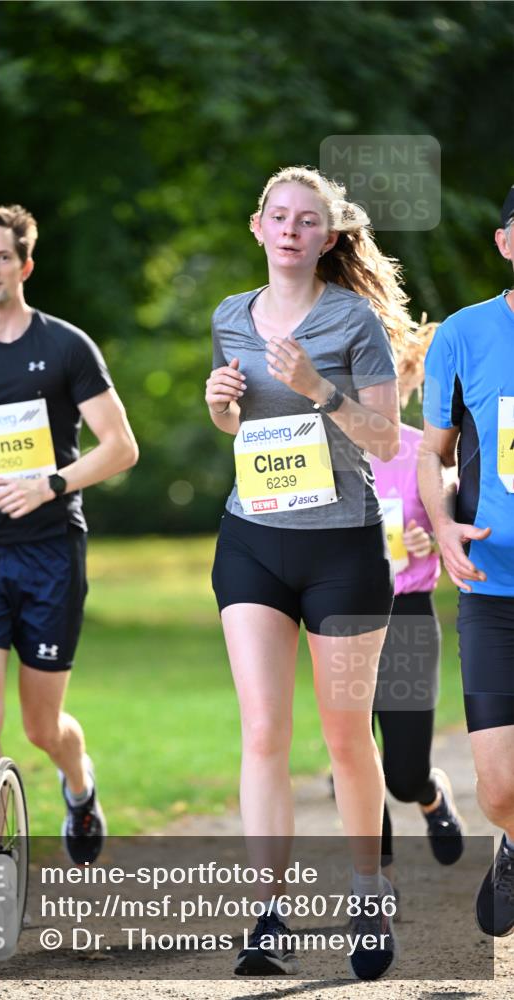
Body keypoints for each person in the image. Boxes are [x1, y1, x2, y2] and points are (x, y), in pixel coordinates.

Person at [206, 165, 416, 980]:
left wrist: (315, 387)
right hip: (251, 538)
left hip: (340, 549)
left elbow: (386, 441)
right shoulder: (230, 316)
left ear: (326, 238)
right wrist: (220, 400)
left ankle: (366, 892)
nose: (290, 229)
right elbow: (232, 420)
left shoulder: (352, 319)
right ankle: (266, 917)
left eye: (307, 221)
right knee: (262, 731)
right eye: (278, 217)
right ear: (256, 227)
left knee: (340, 736)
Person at [0, 205, 138, 865]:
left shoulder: (65, 346)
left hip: (49, 552)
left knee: (43, 726)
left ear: (25, 264)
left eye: (2, 256)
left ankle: (79, 783)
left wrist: (52, 483)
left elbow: (121, 448)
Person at [418, 185, 514, 938]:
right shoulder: (462, 333)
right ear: (504, 242)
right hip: (495, 587)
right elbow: (434, 453)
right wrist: (443, 525)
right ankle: (510, 838)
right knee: (499, 786)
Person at [370, 321, 464, 893]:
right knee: (356, 757)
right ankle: (375, 884)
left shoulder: (420, 453)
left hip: (405, 615)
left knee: (401, 774)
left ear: (405, 380)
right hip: (342, 616)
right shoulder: (325, 450)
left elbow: (449, 511)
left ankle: (427, 794)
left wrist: (433, 534)